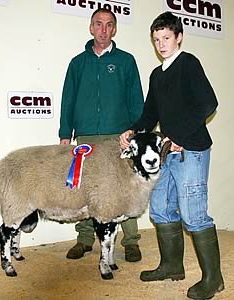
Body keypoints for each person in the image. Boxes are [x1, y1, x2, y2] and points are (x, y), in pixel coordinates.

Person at [120, 11, 224, 300]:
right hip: (166, 152)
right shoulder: (156, 74)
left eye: (166, 37)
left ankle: (214, 280)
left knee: (194, 215)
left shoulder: (189, 64)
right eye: (156, 39)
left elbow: (208, 103)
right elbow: (150, 113)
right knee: (160, 208)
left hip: (191, 149)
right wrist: (133, 130)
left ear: (178, 37)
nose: (161, 44)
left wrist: (178, 136)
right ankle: (171, 266)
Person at [59, 8, 144, 263]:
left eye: (109, 25)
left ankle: (130, 242)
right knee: (85, 189)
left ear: (114, 29)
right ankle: (84, 239)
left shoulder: (126, 61)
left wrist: (137, 131)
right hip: (85, 137)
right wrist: (66, 133)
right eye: (99, 24)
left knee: (124, 189)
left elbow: (136, 99)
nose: (103, 30)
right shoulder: (77, 63)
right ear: (91, 28)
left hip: (120, 135)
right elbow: (68, 99)